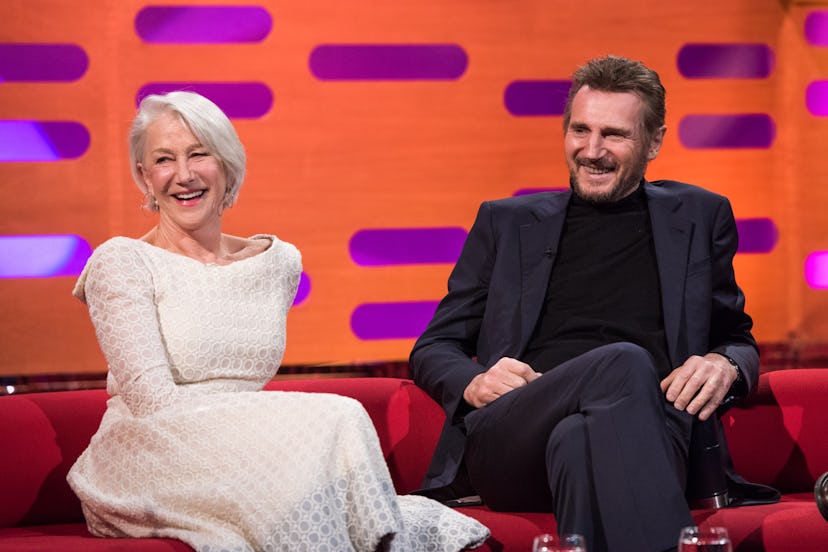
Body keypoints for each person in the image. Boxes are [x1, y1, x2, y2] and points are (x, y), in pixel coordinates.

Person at [68, 91, 489, 551]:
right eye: (164, 160)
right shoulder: (122, 262)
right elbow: (152, 404)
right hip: (150, 456)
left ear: (226, 164)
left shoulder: (277, 263)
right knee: (339, 418)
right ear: (144, 177)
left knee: (328, 485)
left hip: (244, 454)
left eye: (198, 154)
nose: (184, 175)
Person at [410, 56, 775, 552]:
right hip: (516, 432)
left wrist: (725, 363)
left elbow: (738, 338)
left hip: (652, 431)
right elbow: (434, 346)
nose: (592, 150)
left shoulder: (700, 217)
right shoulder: (506, 223)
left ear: (654, 142)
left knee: (580, 442)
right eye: (580, 130)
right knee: (623, 362)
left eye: (615, 135)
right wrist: (474, 381)